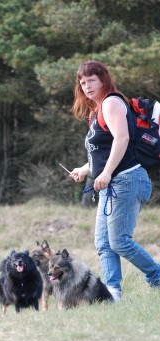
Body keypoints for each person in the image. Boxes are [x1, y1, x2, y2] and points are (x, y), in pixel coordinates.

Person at [70, 60, 160, 302]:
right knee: (103, 243)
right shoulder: (95, 111)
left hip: (127, 180)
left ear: (103, 80)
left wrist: (107, 173)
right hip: (113, 183)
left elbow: (122, 139)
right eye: (82, 82)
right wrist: (84, 169)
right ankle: (113, 294)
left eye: (91, 80)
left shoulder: (111, 102)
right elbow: (102, 152)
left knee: (119, 241)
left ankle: (157, 277)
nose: (86, 86)